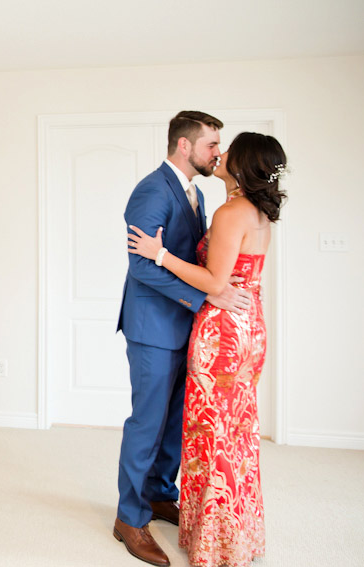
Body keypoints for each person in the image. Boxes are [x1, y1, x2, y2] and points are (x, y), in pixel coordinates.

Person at [128, 132, 287, 567]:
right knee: (236, 434)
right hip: (249, 326)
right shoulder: (258, 213)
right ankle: (237, 533)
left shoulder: (231, 210)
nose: (221, 154)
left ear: (243, 165)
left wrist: (160, 255)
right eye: (215, 144)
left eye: (228, 149)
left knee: (211, 433)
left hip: (222, 334)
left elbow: (216, 284)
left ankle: (216, 542)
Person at [114, 111, 252, 567]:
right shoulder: (152, 190)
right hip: (154, 329)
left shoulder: (195, 193)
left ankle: (157, 495)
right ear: (183, 146)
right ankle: (129, 519)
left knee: (174, 424)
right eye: (212, 144)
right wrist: (204, 299)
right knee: (148, 423)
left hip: (186, 330)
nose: (219, 152)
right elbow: (141, 265)